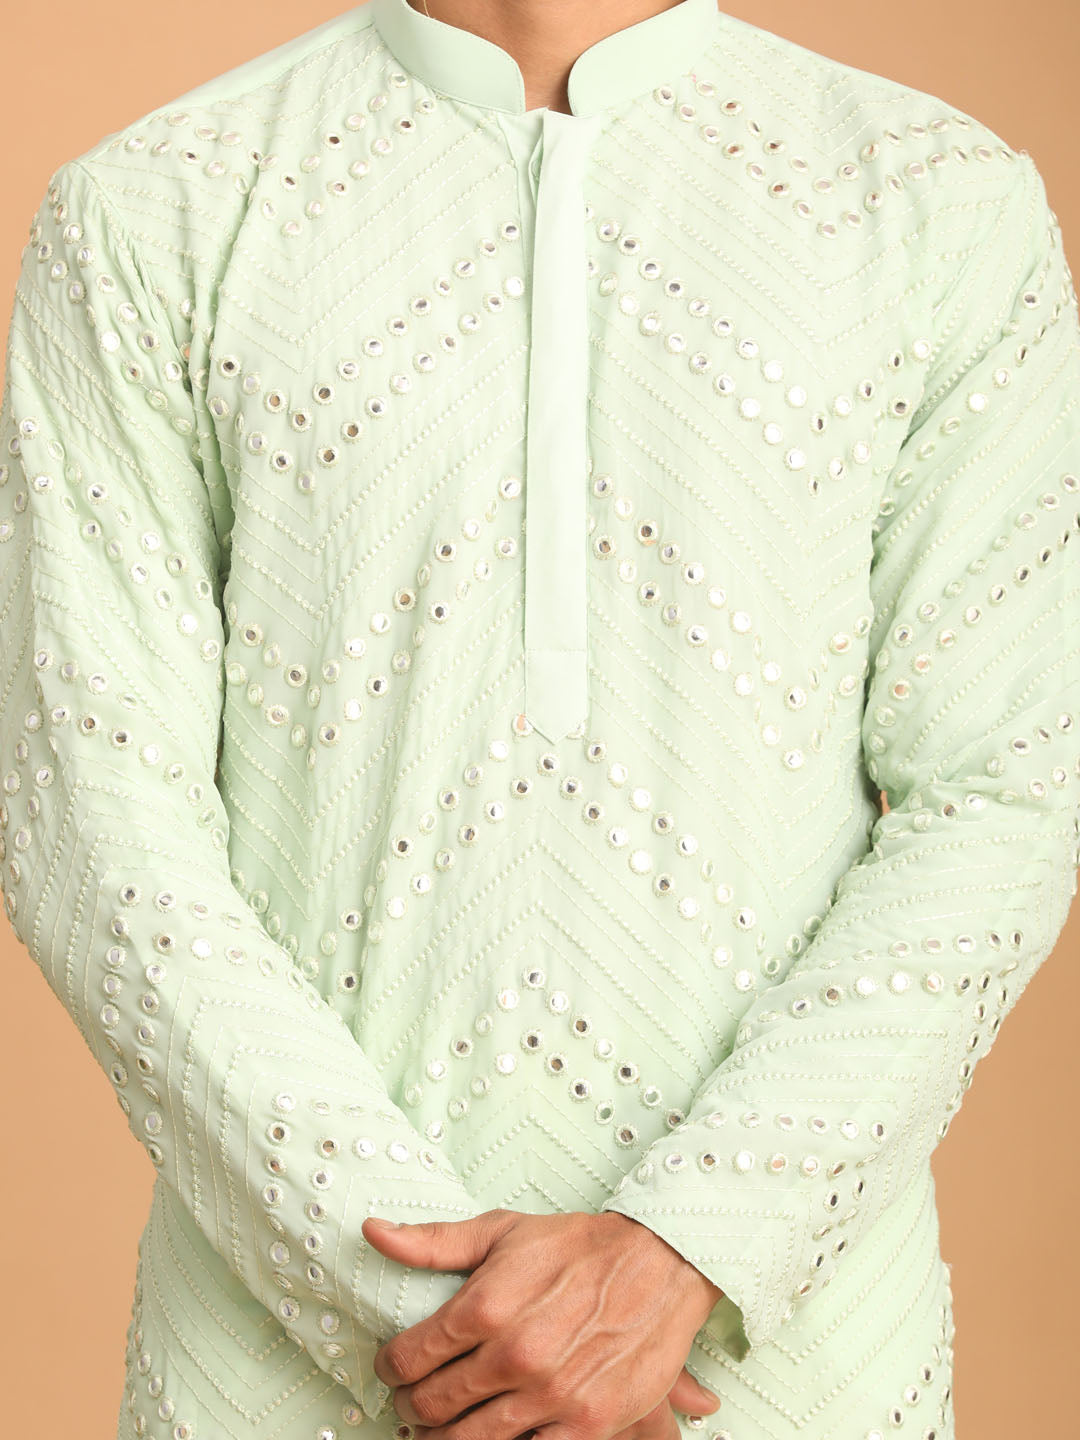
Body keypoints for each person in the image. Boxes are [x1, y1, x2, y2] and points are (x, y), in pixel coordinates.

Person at [1, 1, 1077, 1437]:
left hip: (787, 1368)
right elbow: (86, 810)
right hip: (277, 1367)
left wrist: (689, 1246)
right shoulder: (157, 203)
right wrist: (451, 1326)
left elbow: (1007, 788)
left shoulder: (936, 199)